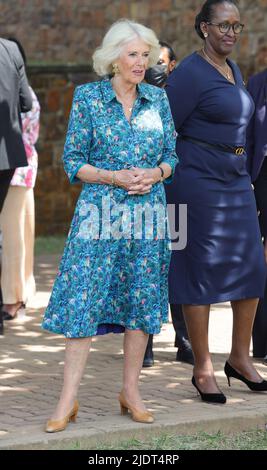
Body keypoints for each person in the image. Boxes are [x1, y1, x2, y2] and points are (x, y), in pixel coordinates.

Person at [42, 19, 178, 433]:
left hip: (148, 214)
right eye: (133, 54)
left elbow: (173, 153)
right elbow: (72, 161)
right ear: (113, 58)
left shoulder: (158, 100)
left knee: (140, 300)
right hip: (98, 215)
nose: (141, 62)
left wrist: (156, 173)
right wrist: (113, 176)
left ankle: (131, 392)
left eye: (145, 55)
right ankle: (68, 399)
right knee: (84, 300)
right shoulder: (88, 98)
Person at [165, 0, 267, 404]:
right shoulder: (189, 74)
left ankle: (240, 358)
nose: (231, 32)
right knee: (200, 270)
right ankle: (203, 366)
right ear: (204, 27)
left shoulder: (232, 69)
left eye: (237, 26)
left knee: (252, 265)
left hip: (236, 182)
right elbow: (164, 129)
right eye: (223, 25)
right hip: (197, 182)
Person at [144, 41, 194, 367]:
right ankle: (145, 342)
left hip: (174, 192)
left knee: (177, 262)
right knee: (147, 267)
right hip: (147, 195)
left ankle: (184, 338)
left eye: (160, 62)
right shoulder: (138, 100)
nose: (154, 69)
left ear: (172, 65)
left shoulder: (182, 96)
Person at [0, 38, 40, 322]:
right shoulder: (10, 51)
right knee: (17, 235)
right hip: (15, 160)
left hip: (19, 168)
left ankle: (12, 297)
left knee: (14, 235)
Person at [246, 67, 267, 362]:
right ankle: (262, 342)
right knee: (263, 258)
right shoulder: (258, 83)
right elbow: (248, 135)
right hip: (263, 179)